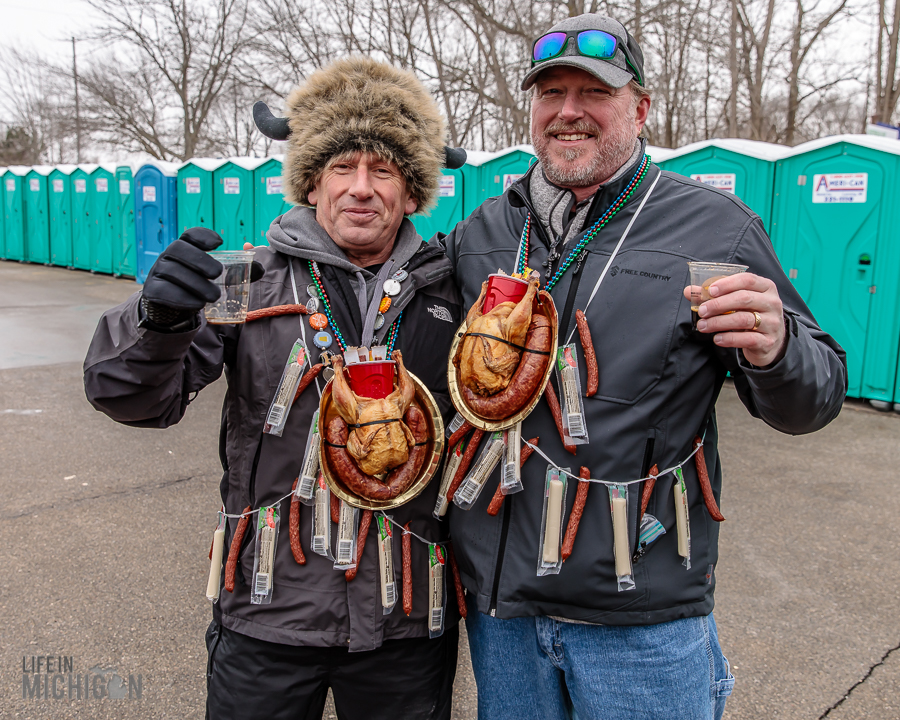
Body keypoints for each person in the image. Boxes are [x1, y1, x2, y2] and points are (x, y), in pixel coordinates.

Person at [439, 13, 847, 720]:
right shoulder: (482, 234)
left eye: (593, 92)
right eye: (550, 92)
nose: (569, 111)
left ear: (640, 108)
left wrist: (777, 348)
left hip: (639, 617)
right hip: (503, 612)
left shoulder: (714, 229)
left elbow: (813, 399)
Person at [84, 57, 466, 720]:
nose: (361, 188)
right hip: (267, 611)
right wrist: (157, 323)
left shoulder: (450, 292)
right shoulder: (246, 282)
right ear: (311, 183)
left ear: (412, 192)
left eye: (384, 170)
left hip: (407, 615)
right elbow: (135, 398)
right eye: (342, 168)